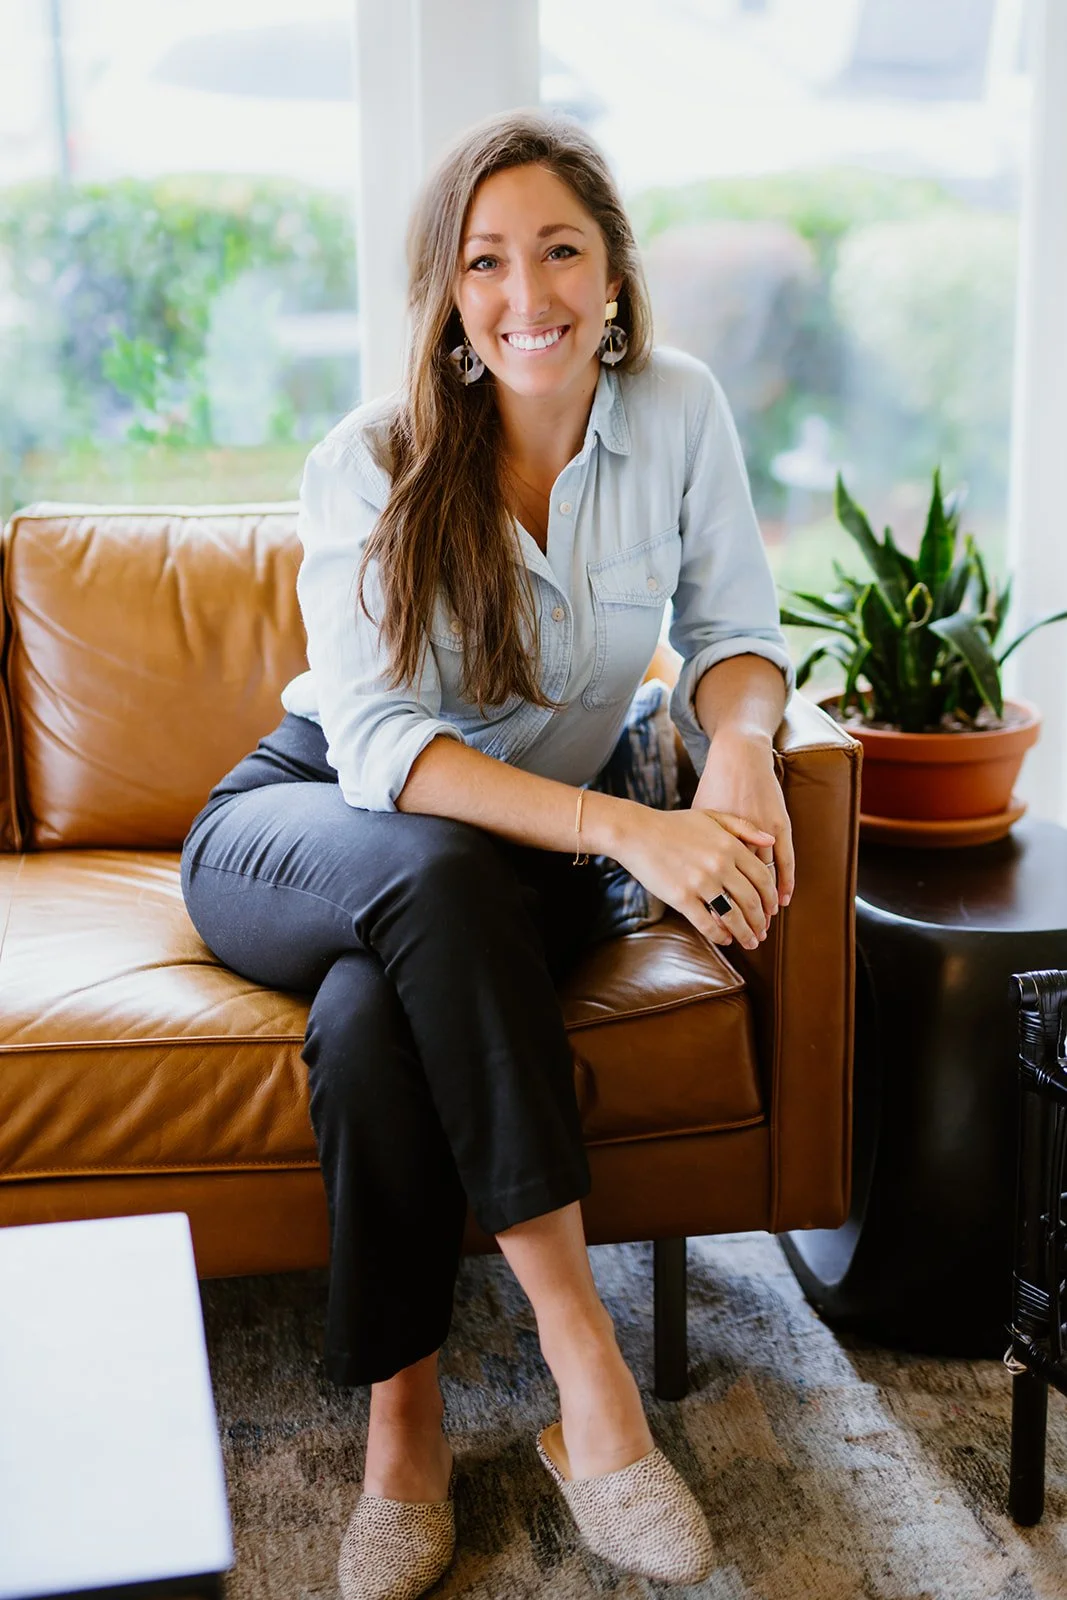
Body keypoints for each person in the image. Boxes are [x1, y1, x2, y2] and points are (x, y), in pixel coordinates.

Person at [180, 108, 796, 1600]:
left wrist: (736, 745)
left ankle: (405, 1426)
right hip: (308, 819)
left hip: (506, 879)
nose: (529, 295)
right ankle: (587, 1377)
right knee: (438, 877)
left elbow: (736, 638)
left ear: (613, 271)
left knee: (373, 1017)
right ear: (450, 299)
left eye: (560, 251)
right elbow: (382, 750)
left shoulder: (678, 411)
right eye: (486, 263)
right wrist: (627, 825)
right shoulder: (375, 460)